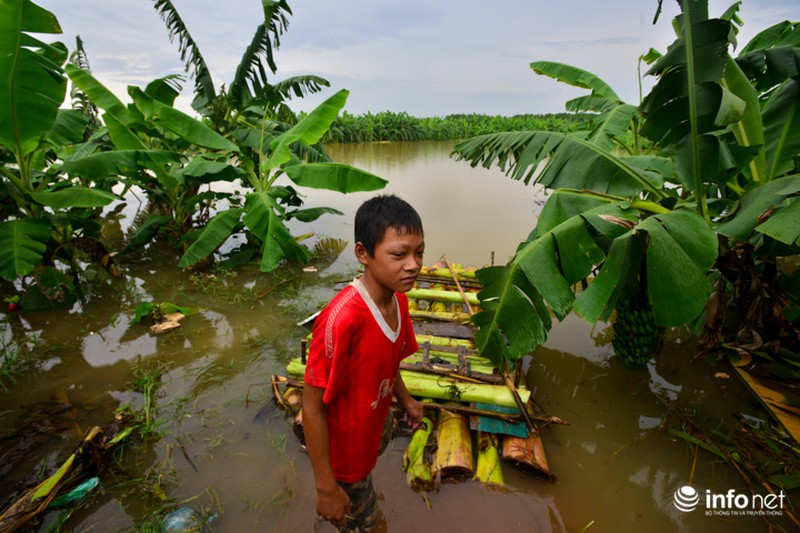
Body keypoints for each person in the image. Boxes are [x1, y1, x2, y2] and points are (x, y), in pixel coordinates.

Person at [303, 194, 425, 532]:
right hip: (345, 454)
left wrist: (405, 399)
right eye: (399, 255)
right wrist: (325, 487)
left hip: (372, 423)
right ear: (363, 253)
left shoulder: (399, 301)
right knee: (365, 523)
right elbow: (311, 408)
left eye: (419, 253)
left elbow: (389, 361)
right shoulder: (342, 321)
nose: (413, 265)